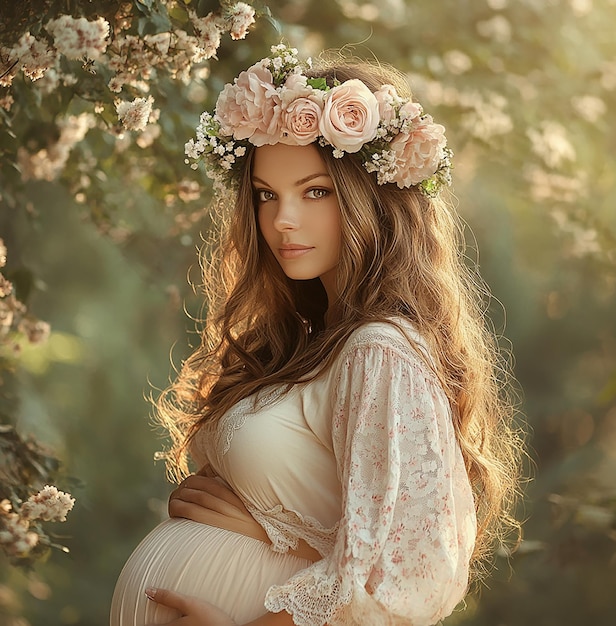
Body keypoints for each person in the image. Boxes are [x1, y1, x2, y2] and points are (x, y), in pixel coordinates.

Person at [110, 44, 523, 626]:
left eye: (315, 191)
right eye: (266, 194)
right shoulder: (312, 342)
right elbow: (348, 538)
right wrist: (268, 529)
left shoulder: (379, 349)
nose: (282, 220)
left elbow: (412, 570)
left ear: (372, 199)